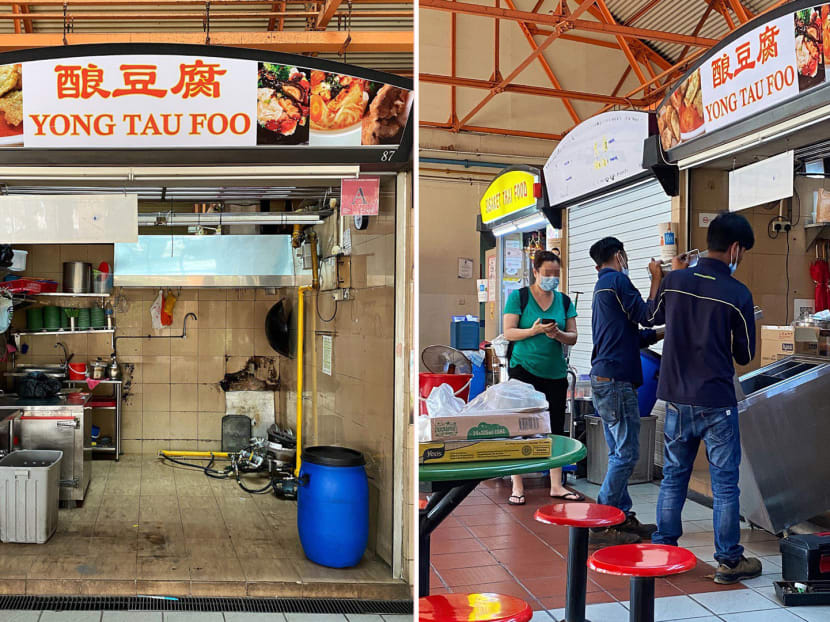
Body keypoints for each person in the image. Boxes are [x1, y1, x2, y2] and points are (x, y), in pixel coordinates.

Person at [649, 212, 761, 585]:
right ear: (733, 248)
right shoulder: (738, 293)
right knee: (725, 483)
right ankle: (729, 561)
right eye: (741, 251)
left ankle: (664, 550)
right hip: (715, 398)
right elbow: (744, 355)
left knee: (674, 476)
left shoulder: (674, 281)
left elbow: (654, 317)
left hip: (676, 397)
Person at [588, 237, 664, 546]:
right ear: (619, 255)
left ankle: (621, 515)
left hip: (605, 379)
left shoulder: (602, 287)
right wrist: (657, 278)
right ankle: (602, 520)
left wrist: (664, 331)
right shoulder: (618, 280)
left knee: (619, 451)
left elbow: (632, 334)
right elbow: (648, 314)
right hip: (616, 381)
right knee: (627, 453)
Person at [503, 250, 580, 505]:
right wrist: (533, 330)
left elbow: (573, 337)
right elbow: (509, 332)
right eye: (547, 273)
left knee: (555, 427)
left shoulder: (565, 301)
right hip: (523, 368)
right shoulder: (519, 297)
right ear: (535, 272)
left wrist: (557, 334)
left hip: (555, 372)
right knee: (520, 427)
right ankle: (517, 485)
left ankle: (556, 484)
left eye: (556, 274)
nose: (552, 278)